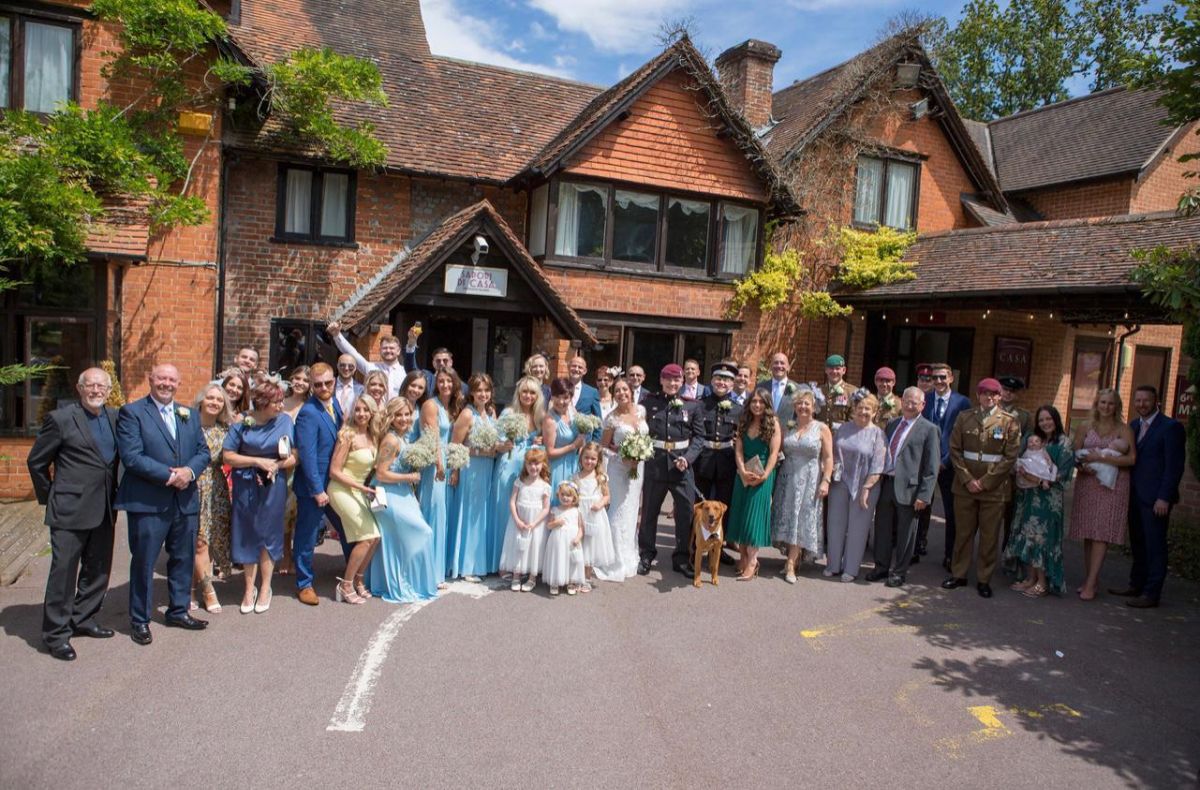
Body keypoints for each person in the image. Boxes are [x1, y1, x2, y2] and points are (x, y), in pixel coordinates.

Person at [27, 368, 121, 661]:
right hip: (69, 509)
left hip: (104, 506)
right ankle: (55, 634)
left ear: (108, 390)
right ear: (80, 389)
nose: (96, 390)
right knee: (63, 572)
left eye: (101, 386)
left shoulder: (115, 418)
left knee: (98, 569)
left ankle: (84, 618)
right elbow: (36, 462)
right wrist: (52, 496)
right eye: (90, 385)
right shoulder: (61, 419)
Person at [115, 363, 211, 645]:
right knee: (144, 561)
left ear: (178, 382)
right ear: (150, 380)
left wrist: (190, 472)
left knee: (182, 558)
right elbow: (132, 457)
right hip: (148, 502)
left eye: (172, 379)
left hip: (185, 501)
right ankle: (140, 619)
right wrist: (172, 476)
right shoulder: (132, 413)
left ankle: (178, 610)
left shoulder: (189, 414)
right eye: (161, 378)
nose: (166, 383)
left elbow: (202, 451)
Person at [942, 377, 1021, 599]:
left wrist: (985, 482)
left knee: (989, 536)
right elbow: (955, 450)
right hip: (965, 486)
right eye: (985, 393)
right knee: (963, 533)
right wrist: (968, 479)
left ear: (999, 397)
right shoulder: (965, 417)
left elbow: (1010, 457)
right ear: (978, 395)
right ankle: (959, 574)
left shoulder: (1009, 422)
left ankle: (984, 579)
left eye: (993, 394)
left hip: (993, 489)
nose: (989, 397)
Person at [222, 379, 297, 614]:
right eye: (276, 402)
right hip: (246, 484)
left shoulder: (284, 421)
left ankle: (265, 587)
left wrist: (277, 464)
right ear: (262, 403)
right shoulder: (243, 422)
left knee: (269, 533)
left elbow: (295, 455)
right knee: (247, 532)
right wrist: (256, 460)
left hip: (273, 485)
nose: (281, 406)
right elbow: (227, 456)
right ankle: (248, 588)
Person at [1111, 385, 1187, 608]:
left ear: (1156, 402)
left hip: (1156, 499)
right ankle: (1136, 585)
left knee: (1155, 545)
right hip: (1134, 495)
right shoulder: (1133, 426)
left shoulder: (1170, 427)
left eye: (1146, 400)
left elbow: (1174, 467)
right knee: (1138, 542)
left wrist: (1164, 497)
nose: (1141, 404)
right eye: (1138, 400)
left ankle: (1152, 593)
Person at [866, 387, 940, 588]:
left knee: (906, 532)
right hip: (887, 484)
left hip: (910, 489)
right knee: (882, 528)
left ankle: (899, 572)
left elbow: (932, 467)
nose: (909, 404)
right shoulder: (892, 424)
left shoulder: (929, 429)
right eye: (906, 400)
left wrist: (924, 495)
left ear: (922, 405)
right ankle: (881, 567)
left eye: (914, 402)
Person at [1067, 388, 1136, 601]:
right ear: (1096, 404)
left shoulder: (1124, 430)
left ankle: (1089, 584)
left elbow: (1132, 459)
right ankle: (1092, 579)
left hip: (1112, 487)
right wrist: (1082, 465)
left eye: (1111, 403)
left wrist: (1102, 458)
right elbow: (1074, 453)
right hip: (1088, 484)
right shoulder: (1085, 427)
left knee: (1101, 534)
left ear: (1117, 407)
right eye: (1103, 403)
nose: (1106, 407)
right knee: (1089, 533)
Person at [367, 398, 439, 603]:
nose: (404, 418)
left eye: (407, 414)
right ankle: (400, 584)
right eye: (399, 415)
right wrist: (409, 477)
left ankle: (406, 581)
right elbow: (380, 474)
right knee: (423, 532)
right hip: (386, 495)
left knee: (410, 537)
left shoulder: (404, 436)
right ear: (391, 417)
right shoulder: (391, 440)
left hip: (403, 493)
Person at [637, 363, 703, 576]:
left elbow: (699, 437)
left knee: (685, 512)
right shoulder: (648, 403)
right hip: (655, 464)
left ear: (682, 382)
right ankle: (646, 554)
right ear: (661, 380)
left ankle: (682, 557)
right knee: (649, 512)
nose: (673, 383)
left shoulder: (692, 406)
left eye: (677, 380)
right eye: (669, 379)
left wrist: (688, 458)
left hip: (681, 466)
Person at [293, 362, 347, 606]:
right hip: (314, 488)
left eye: (328, 383)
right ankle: (304, 584)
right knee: (307, 536)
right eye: (318, 384)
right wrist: (317, 490)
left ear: (334, 381)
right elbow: (308, 454)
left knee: (347, 526)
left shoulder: (334, 404)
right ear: (311, 386)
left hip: (333, 484)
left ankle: (352, 572)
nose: (324, 388)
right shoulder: (308, 413)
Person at [1006, 406, 1074, 597]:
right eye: (1042, 420)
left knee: (1043, 540)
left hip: (1048, 500)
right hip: (1028, 496)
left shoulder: (1064, 442)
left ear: (1056, 419)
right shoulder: (1034, 439)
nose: (1045, 423)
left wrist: (1039, 479)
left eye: (1049, 419)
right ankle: (1030, 578)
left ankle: (1043, 582)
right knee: (1028, 536)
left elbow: (1064, 473)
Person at [771, 388, 833, 583]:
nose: (803, 407)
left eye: (807, 403)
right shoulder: (788, 426)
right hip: (786, 480)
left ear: (814, 406)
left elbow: (829, 457)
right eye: (800, 403)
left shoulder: (821, 428)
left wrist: (826, 479)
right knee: (788, 517)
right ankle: (791, 558)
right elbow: (777, 450)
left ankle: (791, 564)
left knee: (800, 519)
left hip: (809, 480)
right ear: (794, 406)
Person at [826, 391, 886, 582]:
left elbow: (879, 464)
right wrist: (832, 470)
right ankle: (833, 564)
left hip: (866, 486)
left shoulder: (878, 434)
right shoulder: (843, 429)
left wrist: (867, 488)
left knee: (858, 528)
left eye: (868, 409)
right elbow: (833, 453)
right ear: (854, 410)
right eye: (860, 408)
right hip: (840, 482)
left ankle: (850, 569)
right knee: (835, 524)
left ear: (875, 412)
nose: (863, 412)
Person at [328, 395, 382, 604]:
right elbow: (334, 471)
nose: (361, 414)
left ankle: (359, 580)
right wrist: (362, 487)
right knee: (367, 536)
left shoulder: (373, 435)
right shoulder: (347, 435)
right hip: (341, 489)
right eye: (357, 409)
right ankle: (345, 584)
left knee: (375, 537)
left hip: (359, 491)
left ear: (371, 413)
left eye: (365, 410)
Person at [448, 372, 503, 581]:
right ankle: (467, 566)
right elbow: (456, 445)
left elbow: (495, 441)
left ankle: (482, 562)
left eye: (486, 390)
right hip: (471, 469)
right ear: (471, 392)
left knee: (482, 515)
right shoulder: (467, 414)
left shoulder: (491, 413)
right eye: (479, 390)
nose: (483, 394)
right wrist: (455, 470)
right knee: (470, 515)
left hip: (487, 470)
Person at [919, 362, 972, 569]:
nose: (938, 381)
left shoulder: (963, 403)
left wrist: (945, 460)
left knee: (952, 513)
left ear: (951, 378)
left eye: (943, 377)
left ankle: (950, 555)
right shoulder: (925, 399)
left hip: (950, 466)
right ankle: (916, 548)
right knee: (920, 507)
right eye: (935, 378)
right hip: (926, 463)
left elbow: (964, 436)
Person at [727, 389, 781, 581]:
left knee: (753, 519)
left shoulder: (773, 423)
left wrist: (765, 475)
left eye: (761, 402)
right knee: (740, 516)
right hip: (743, 475)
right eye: (754, 401)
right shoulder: (744, 422)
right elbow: (739, 449)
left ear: (767, 405)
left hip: (762, 475)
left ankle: (752, 562)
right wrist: (741, 470)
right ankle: (742, 557)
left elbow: (774, 453)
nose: (757, 405)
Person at [597, 378, 648, 580]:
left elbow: (644, 439)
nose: (621, 393)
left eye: (624, 389)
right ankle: (614, 558)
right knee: (618, 509)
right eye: (617, 391)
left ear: (631, 390)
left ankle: (628, 554)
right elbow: (604, 446)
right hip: (619, 469)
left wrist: (640, 454)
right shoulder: (611, 418)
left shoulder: (641, 411)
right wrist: (623, 455)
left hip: (639, 468)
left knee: (632, 509)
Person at [493, 375, 544, 572]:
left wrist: (538, 442)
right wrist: (503, 445)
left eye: (532, 392)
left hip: (529, 468)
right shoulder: (508, 412)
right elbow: (496, 443)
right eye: (525, 392)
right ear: (518, 393)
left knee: (523, 512)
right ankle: (501, 562)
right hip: (509, 464)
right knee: (505, 510)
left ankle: (519, 562)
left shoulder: (540, 416)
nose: (528, 396)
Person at [693, 361, 742, 563]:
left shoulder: (739, 409)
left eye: (728, 379)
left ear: (733, 384)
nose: (722, 382)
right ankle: (694, 547)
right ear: (712, 380)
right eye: (719, 378)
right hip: (703, 460)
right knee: (698, 507)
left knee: (723, 508)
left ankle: (718, 549)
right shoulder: (700, 405)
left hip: (726, 461)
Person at [419, 368, 464, 585]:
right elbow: (433, 436)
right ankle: (429, 572)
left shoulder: (453, 407)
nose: (445, 385)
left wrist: (455, 467)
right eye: (441, 381)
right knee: (434, 514)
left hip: (448, 463)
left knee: (445, 516)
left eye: (449, 381)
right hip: (435, 465)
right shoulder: (431, 405)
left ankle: (440, 567)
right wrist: (439, 464)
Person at [191, 384, 233, 612]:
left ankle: (191, 588)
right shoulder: (187, 425)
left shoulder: (224, 430)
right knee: (198, 542)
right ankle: (207, 591)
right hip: (193, 489)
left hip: (216, 490)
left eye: (219, 400)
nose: (215, 403)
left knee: (209, 541)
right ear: (201, 400)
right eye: (211, 398)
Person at [499, 448, 552, 591]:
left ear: (543, 465)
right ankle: (516, 575)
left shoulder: (545, 486)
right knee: (518, 546)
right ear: (525, 465)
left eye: (537, 464)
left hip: (535, 523)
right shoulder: (519, 482)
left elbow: (546, 508)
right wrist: (517, 520)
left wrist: (534, 523)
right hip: (519, 521)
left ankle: (532, 577)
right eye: (530, 464)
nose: (533, 467)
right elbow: (512, 501)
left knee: (534, 547)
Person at [328, 321, 407, 399]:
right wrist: (337, 335)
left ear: (398, 351)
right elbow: (352, 353)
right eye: (385, 348)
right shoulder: (372, 368)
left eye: (392, 348)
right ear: (380, 350)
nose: (388, 350)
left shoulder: (404, 372)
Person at [575, 442, 615, 589]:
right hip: (580, 514)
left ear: (598, 461)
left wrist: (600, 503)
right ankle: (577, 576)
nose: (589, 462)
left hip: (594, 514)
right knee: (581, 543)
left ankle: (587, 577)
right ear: (581, 458)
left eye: (593, 459)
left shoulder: (600, 477)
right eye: (586, 458)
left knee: (591, 545)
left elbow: (607, 496)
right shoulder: (576, 477)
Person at [544, 377, 584, 503]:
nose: (561, 401)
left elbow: (580, 435)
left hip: (574, 465)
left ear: (571, 398)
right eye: (558, 397)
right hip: (558, 468)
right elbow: (549, 452)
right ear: (552, 396)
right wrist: (573, 446)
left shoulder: (573, 411)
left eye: (566, 398)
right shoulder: (550, 420)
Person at [542, 481, 585, 595]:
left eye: (569, 495)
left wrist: (578, 538)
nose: (565, 498)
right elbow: (548, 525)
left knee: (570, 561)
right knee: (557, 558)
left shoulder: (577, 511)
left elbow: (581, 528)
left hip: (572, 541)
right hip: (557, 541)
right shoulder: (555, 509)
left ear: (574, 497)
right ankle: (555, 581)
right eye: (563, 495)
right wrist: (556, 522)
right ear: (558, 495)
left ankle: (571, 582)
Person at [818, 354, 859, 432]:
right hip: (820, 436)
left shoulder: (852, 392)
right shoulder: (818, 391)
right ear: (826, 370)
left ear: (844, 370)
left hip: (842, 437)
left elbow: (854, 420)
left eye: (837, 369)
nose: (834, 371)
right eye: (831, 368)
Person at [566, 354, 602, 439]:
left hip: (584, 444)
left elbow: (598, 422)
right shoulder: (559, 387)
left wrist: (594, 444)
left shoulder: (592, 392)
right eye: (574, 366)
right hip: (562, 442)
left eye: (580, 367)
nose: (576, 369)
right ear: (568, 367)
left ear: (585, 371)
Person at [756, 352, 797, 418]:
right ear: (771, 366)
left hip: (787, 428)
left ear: (788, 367)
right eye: (776, 363)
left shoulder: (797, 389)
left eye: (782, 363)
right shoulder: (761, 387)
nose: (779, 366)